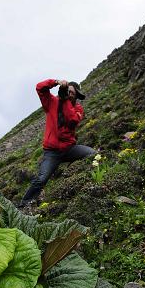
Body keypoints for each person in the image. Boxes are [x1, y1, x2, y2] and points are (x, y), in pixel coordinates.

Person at [19, 78, 95, 207]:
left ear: (76, 96)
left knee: (92, 154)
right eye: (68, 91)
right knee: (42, 179)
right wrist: (55, 82)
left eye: (73, 93)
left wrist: (64, 100)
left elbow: (71, 120)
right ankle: (24, 204)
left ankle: (86, 180)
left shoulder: (78, 109)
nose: (70, 94)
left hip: (69, 149)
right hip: (52, 152)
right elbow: (39, 87)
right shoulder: (51, 102)